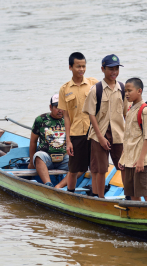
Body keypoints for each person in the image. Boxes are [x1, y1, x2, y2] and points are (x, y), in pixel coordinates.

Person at [82, 54, 129, 198]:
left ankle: (128, 196)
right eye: (110, 69)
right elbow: (91, 114)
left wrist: (131, 134)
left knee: (124, 166)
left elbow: (126, 113)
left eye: (116, 68)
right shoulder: (96, 90)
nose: (114, 72)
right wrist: (101, 137)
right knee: (101, 169)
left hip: (118, 133)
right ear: (103, 69)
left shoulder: (122, 88)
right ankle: (101, 199)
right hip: (98, 134)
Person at [58, 52, 99, 194]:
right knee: (73, 168)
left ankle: (95, 195)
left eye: (84, 66)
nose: (81, 69)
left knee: (95, 167)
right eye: (78, 66)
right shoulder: (65, 89)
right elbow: (66, 117)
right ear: (70, 67)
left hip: (93, 132)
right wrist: (68, 141)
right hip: (76, 133)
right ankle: (70, 193)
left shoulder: (93, 83)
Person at [118, 78, 147, 204]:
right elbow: (128, 137)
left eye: (130, 90)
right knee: (132, 193)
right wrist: (122, 157)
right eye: (125, 91)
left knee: (146, 192)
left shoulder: (145, 111)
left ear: (139, 91)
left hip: (141, 161)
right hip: (129, 161)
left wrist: (141, 160)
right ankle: (139, 216)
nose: (127, 94)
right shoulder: (130, 110)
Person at [28, 94, 69, 188]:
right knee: (38, 156)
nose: (60, 110)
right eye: (57, 107)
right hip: (47, 158)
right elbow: (33, 141)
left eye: (62, 107)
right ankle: (48, 184)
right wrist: (31, 162)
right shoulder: (41, 119)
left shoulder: (69, 119)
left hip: (64, 158)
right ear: (50, 107)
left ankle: (59, 186)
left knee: (80, 165)